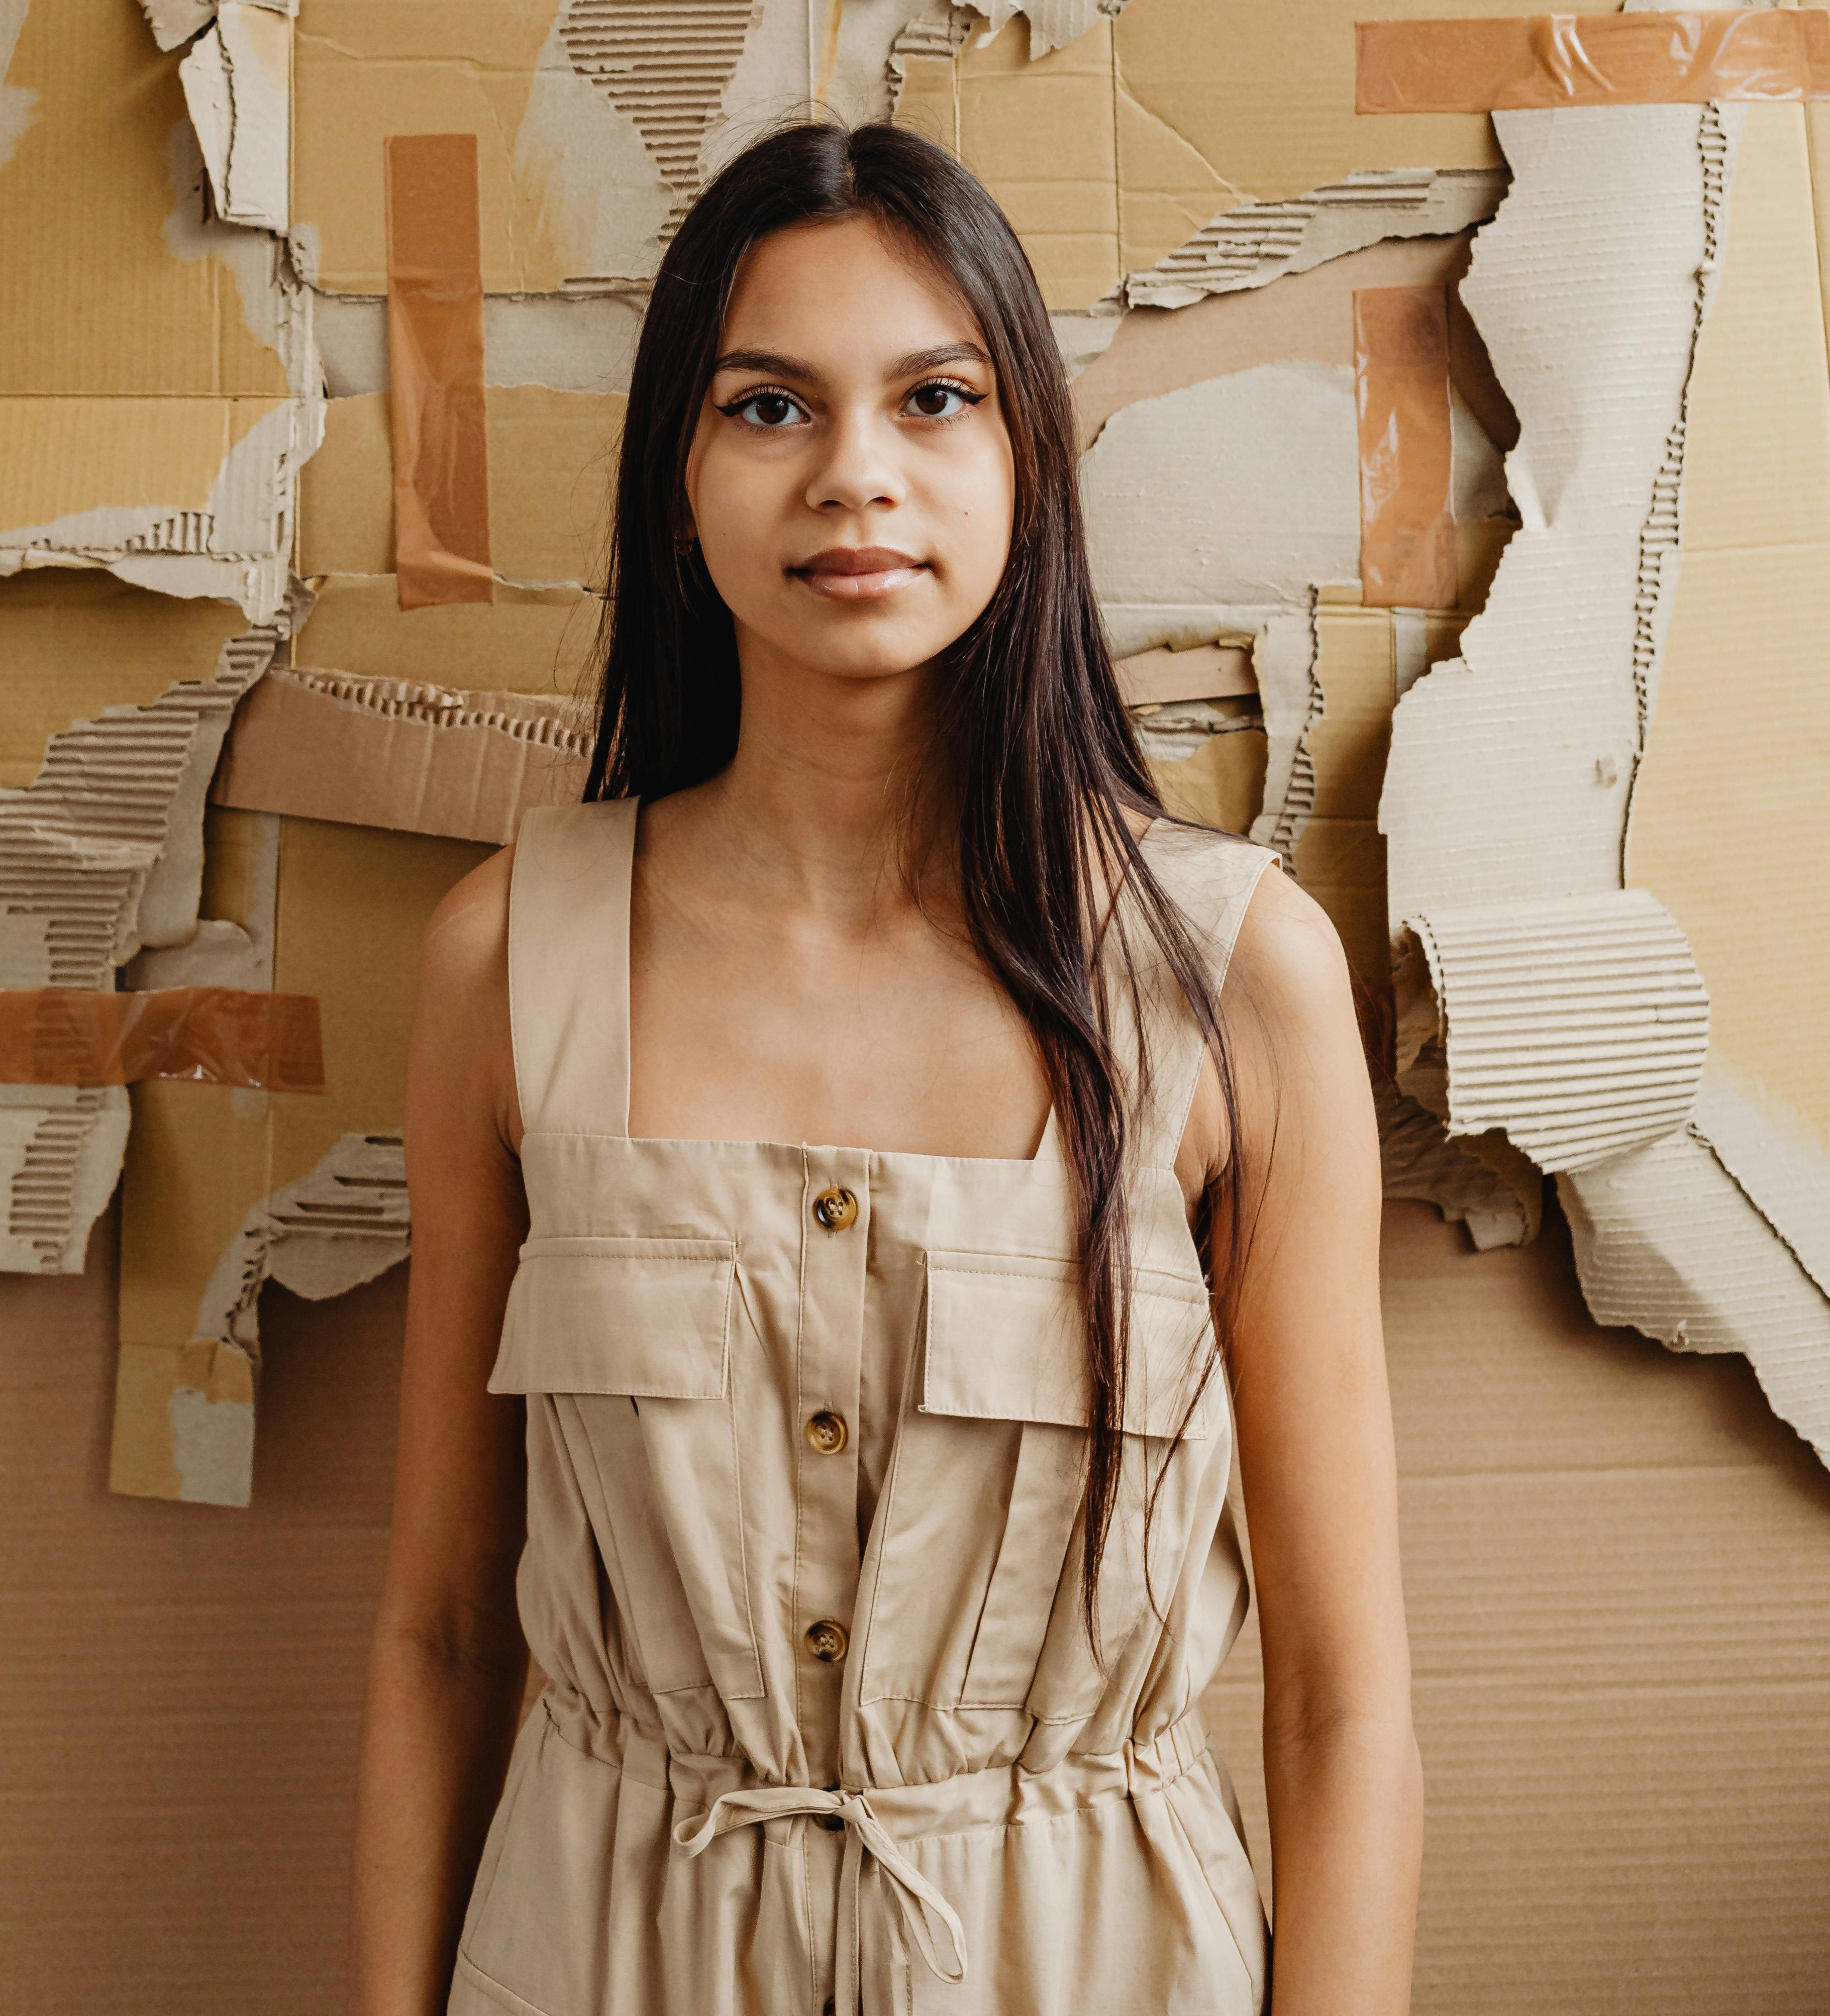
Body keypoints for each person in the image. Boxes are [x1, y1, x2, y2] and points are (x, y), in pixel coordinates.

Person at [350, 120, 1419, 2015]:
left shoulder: (1233, 973)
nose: (856, 475)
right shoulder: (507, 959)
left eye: (936, 398)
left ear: (1028, 465)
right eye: (769, 407)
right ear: (678, 474)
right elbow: (442, 1631)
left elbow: (1343, 1705)